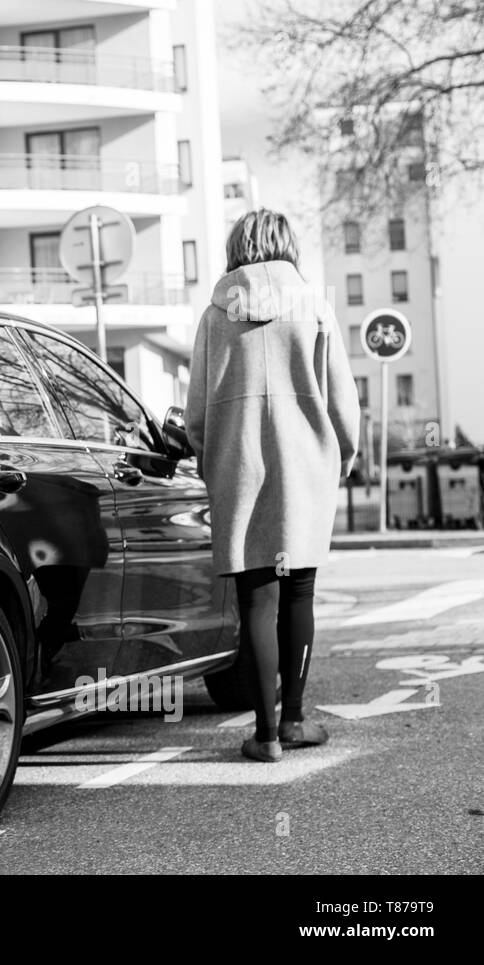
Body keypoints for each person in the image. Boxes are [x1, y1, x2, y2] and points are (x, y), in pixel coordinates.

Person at [185, 209, 361, 762]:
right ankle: (295, 721)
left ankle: (263, 735)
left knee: (256, 598)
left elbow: (195, 413)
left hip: (239, 467)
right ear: (288, 247)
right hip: (303, 466)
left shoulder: (216, 315)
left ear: (237, 248)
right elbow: (342, 402)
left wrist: (206, 454)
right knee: (299, 592)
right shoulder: (314, 307)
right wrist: (345, 456)